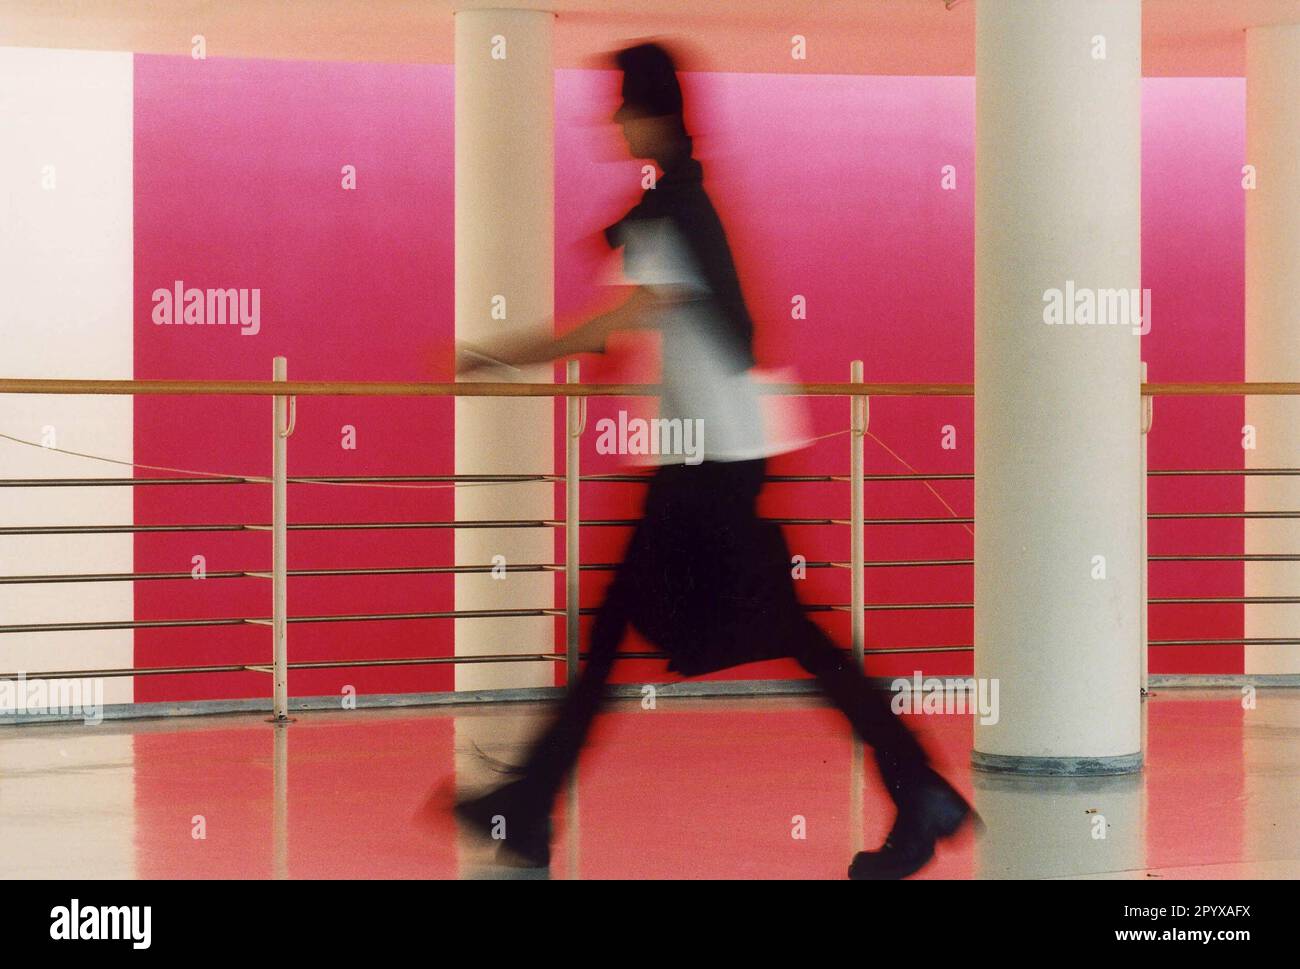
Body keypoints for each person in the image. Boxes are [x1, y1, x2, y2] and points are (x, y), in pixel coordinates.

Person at [449, 41, 973, 880]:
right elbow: (645, 324)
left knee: (658, 629)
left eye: (623, 106)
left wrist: (496, 354)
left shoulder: (675, 209)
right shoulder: (680, 203)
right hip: (727, 453)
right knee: (733, 631)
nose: (612, 121)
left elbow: (618, 318)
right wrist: (609, 361)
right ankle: (919, 790)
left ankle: (530, 806)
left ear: (652, 113)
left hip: (714, 464)